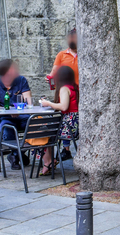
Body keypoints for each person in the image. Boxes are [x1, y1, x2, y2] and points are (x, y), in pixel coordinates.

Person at [39, 66, 79, 175]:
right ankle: (49, 161)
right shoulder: (73, 87)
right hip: (74, 124)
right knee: (46, 131)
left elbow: (64, 107)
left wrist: (48, 103)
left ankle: (48, 162)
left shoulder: (64, 88)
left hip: (67, 126)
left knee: (41, 132)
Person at [46, 27, 78, 160]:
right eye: (70, 37)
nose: (72, 40)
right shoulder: (61, 55)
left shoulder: (86, 54)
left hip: (77, 91)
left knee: (66, 118)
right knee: (65, 117)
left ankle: (49, 159)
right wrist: (50, 77)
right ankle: (65, 150)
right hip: (65, 89)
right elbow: (54, 72)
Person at [0, 59, 32, 170]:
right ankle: (18, 154)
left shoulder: (21, 80)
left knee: (34, 127)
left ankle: (15, 155)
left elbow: (29, 102)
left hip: (23, 117)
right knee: (6, 130)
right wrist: (10, 111)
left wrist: (19, 110)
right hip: (6, 118)